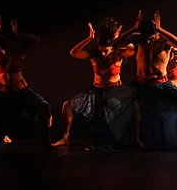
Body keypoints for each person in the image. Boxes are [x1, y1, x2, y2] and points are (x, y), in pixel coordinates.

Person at [113, 10, 177, 153]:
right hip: (141, 85)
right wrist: (133, 28)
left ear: (155, 32)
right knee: (117, 103)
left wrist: (160, 28)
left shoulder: (164, 42)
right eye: (145, 35)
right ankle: (134, 140)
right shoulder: (139, 40)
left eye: (150, 36)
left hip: (161, 84)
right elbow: (115, 44)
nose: (147, 40)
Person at [51, 18, 137, 148]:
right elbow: (74, 53)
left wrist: (118, 38)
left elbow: (133, 49)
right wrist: (89, 38)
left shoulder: (118, 53)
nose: (103, 53)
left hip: (115, 91)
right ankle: (65, 138)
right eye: (101, 50)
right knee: (67, 105)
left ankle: (134, 139)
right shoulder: (94, 54)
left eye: (105, 51)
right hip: (96, 92)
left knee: (130, 108)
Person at [0, 16, 51, 149]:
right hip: (1, 92)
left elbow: (36, 39)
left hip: (20, 90)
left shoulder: (19, 49)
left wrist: (15, 34)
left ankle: (47, 142)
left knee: (45, 107)